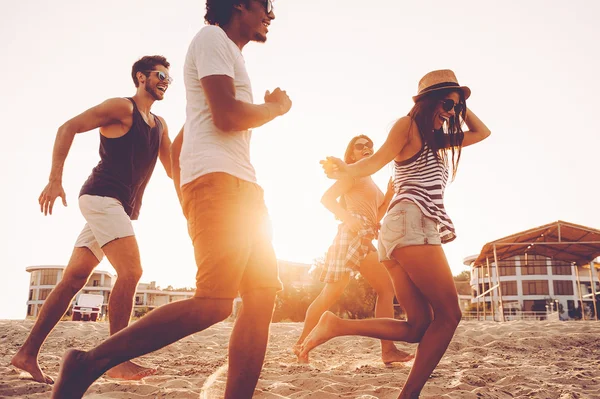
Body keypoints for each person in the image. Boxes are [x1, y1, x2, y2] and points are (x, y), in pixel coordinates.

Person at [51, 1, 292, 398]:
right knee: (215, 302)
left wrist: (184, 190)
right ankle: (87, 362)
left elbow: (185, 137)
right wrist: (275, 108)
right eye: (265, 5)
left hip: (242, 186)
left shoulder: (229, 53)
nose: (271, 14)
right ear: (239, 5)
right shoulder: (212, 38)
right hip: (219, 183)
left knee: (262, 296)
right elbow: (227, 117)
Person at [300, 69, 491, 398]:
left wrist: (460, 105)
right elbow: (374, 162)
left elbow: (482, 132)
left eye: (455, 107)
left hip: (397, 229)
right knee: (449, 314)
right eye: (446, 103)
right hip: (410, 224)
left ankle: (337, 325)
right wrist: (345, 169)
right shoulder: (407, 126)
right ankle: (409, 395)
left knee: (419, 326)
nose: (450, 112)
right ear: (427, 101)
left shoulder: (438, 140)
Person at [11, 55, 173, 384]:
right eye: (159, 75)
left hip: (115, 208)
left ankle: (26, 354)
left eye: (168, 78)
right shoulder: (121, 108)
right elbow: (67, 127)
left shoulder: (160, 126)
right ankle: (117, 360)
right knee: (131, 271)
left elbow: (175, 169)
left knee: (74, 279)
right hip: (101, 198)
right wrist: (55, 179)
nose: (165, 81)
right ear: (141, 77)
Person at [293, 135, 413, 365]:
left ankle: (388, 350)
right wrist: (348, 218)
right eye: (360, 146)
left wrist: (388, 196)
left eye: (370, 145)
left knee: (386, 288)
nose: (367, 148)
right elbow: (327, 199)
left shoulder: (368, 179)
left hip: (366, 236)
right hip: (350, 236)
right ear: (352, 154)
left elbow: (376, 216)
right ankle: (301, 346)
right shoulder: (353, 173)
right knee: (330, 293)